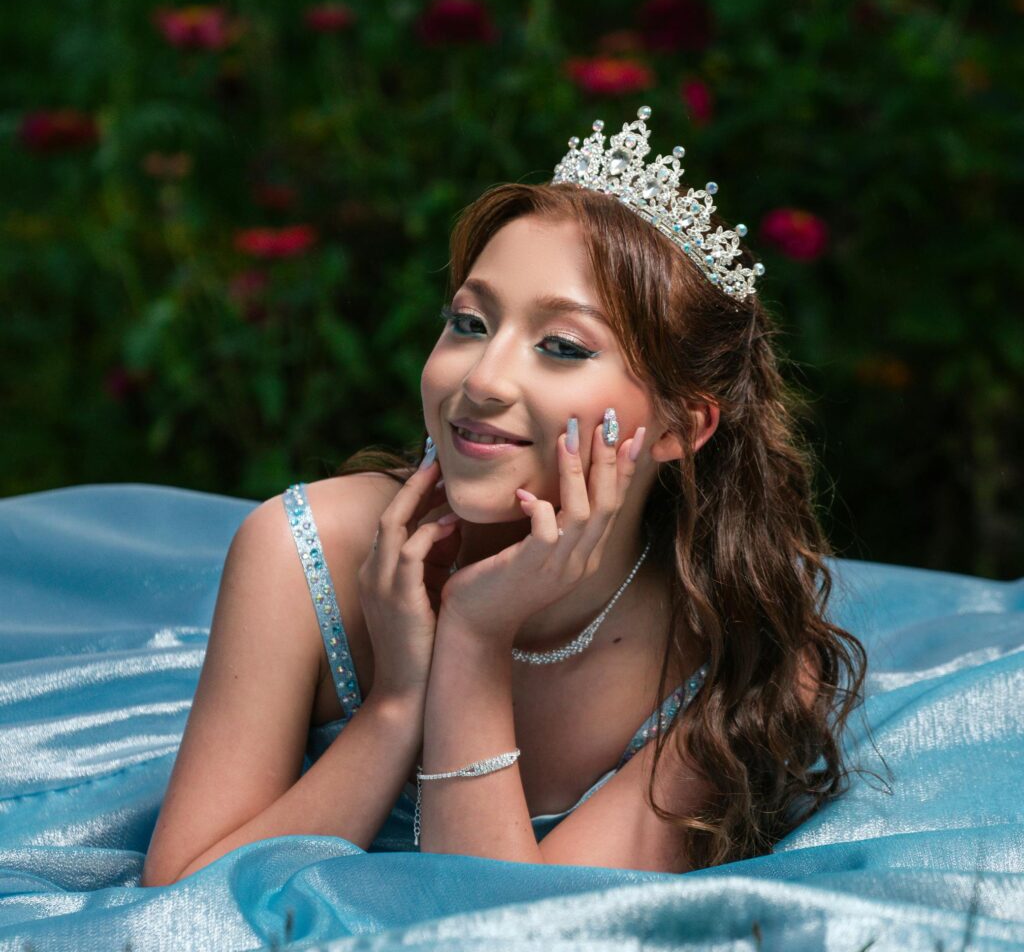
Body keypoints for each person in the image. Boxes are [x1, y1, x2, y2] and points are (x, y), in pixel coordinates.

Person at [140, 105, 868, 886]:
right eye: (468, 322)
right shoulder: (302, 551)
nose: (482, 380)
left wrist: (475, 641)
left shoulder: (737, 655)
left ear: (678, 427)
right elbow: (177, 900)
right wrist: (394, 706)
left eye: (561, 346)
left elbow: (502, 926)